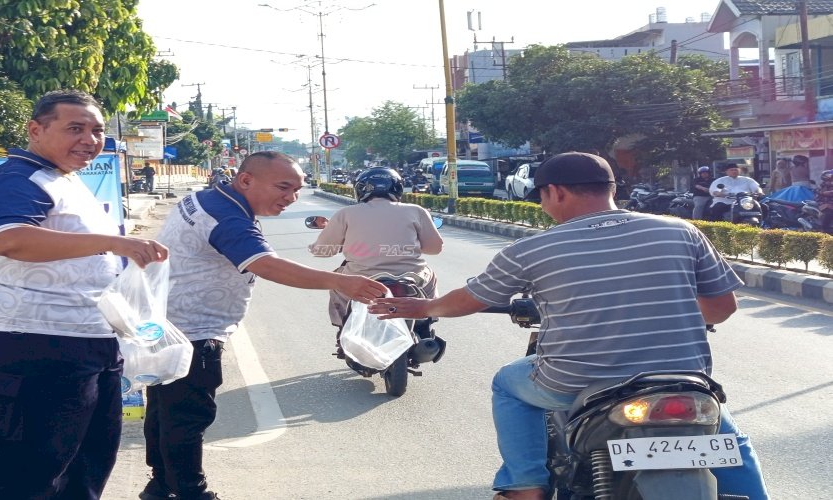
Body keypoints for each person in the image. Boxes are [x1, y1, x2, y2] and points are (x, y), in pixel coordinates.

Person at [369, 152, 769, 500]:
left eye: (542, 197)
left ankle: (525, 484)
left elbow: (469, 300)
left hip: (575, 383)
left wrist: (423, 307)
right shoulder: (681, 231)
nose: (544, 206)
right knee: (727, 438)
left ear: (555, 192)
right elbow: (720, 309)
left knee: (508, 383)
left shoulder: (532, 249)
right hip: (681, 379)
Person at [0, 89, 169, 499]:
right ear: (36, 130)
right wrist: (116, 244)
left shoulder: (64, 180)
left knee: (85, 467)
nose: (89, 139)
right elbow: (9, 239)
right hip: (27, 343)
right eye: (75, 128)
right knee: (27, 475)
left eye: (97, 130)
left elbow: (82, 256)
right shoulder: (17, 178)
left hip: (85, 341)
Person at [141, 151, 388, 500]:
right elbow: (266, 264)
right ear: (245, 180)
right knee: (187, 416)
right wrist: (341, 282)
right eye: (283, 188)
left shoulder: (207, 197)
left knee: (166, 411)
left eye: (297, 190)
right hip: (191, 331)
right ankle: (190, 492)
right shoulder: (226, 216)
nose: (291, 198)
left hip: (169, 323)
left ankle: (160, 485)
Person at [308, 167, 443, 354]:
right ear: (397, 189)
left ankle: (343, 330)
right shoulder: (416, 211)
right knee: (431, 275)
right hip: (413, 278)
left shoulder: (346, 213)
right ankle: (425, 324)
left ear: (361, 189)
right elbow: (434, 249)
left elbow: (322, 251)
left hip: (362, 278)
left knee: (337, 281)